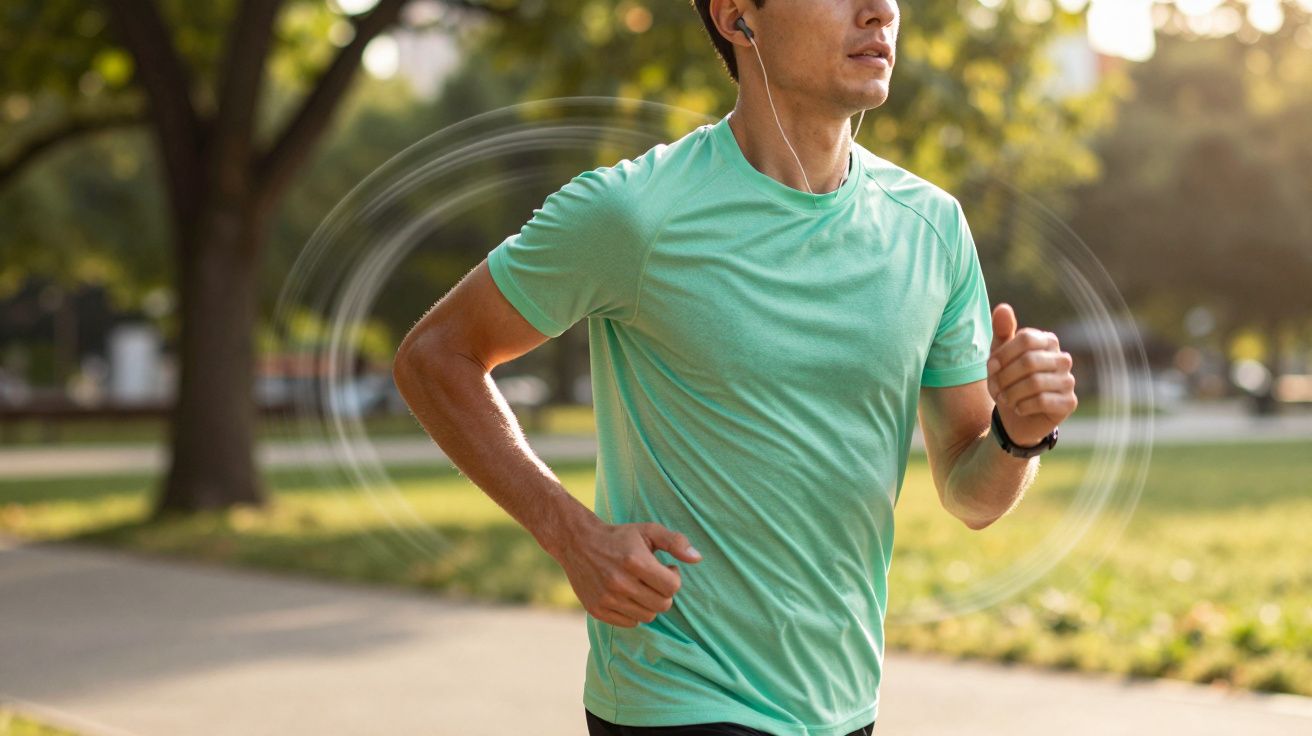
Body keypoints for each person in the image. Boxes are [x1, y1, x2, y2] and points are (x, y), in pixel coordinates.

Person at [392, 1, 1077, 734]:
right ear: (736, 16)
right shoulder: (636, 214)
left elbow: (970, 493)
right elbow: (437, 356)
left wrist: (1017, 435)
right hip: (679, 696)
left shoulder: (931, 228)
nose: (878, 10)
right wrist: (571, 534)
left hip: (841, 705)